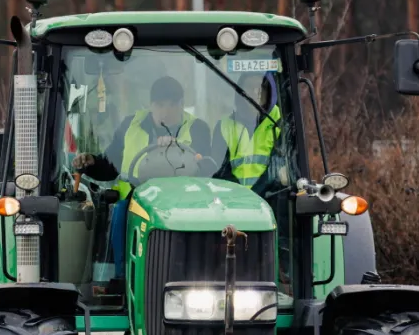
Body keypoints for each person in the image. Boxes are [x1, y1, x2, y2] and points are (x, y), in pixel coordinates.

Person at [71, 76, 221, 276]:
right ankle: (120, 276)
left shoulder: (197, 128)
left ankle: (197, 275)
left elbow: (206, 167)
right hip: (138, 199)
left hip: (185, 201)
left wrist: (175, 149)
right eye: (160, 105)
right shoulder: (129, 126)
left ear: (182, 105)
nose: (166, 111)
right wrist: (91, 163)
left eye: (172, 105)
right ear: (151, 105)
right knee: (120, 212)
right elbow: (110, 165)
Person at [219, 73, 282, 187]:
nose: (255, 92)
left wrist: (254, 196)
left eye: (260, 87)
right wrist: (240, 195)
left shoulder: (282, 124)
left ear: (269, 92)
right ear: (240, 93)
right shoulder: (224, 126)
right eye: (249, 87)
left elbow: (278, 170)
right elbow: (220, 171)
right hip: (232, 199)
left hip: (271, 199)